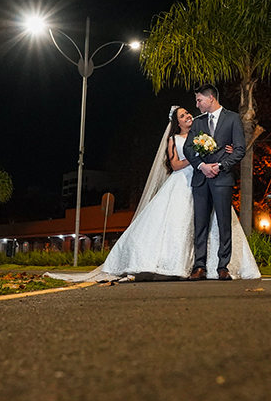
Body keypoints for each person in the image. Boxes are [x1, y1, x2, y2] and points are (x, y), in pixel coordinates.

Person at [53, 105, 259, 281]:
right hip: (183, 182)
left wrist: (224, 151)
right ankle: (173, 264)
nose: (188, 116)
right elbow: (175, 164)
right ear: (177, 123)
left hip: (205, 182)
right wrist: (198, 159)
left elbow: (222, 146)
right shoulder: (175, 139)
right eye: (183, 116)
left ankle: (212, 266)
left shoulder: (202, 134)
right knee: (178, 224)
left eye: (188, 113)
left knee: (211, 223)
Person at [183, 84, 246, 280]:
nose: (197, 104)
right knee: (200, 224)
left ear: (211, 98)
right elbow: (187, 148)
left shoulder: (233, 118)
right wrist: (201, 166)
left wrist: (220, 166)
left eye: (199, 100)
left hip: (222, 179)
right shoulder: (198, 122)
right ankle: (199, 267)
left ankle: (222, 267)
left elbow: (239, 149)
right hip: (201, 180)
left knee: (223, 223)